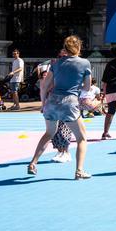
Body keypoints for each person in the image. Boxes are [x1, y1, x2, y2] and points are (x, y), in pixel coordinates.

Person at [27, 35, 92, 178]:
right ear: (79, 47)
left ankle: (33, 162)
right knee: (81, 138)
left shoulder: (55, 64)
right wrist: (77, 85)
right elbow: (87, 87)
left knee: (49, 133)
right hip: (69, 102)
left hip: (52, 101)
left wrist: (44, 103)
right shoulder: (84, 63)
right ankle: (79, 170)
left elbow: (44, 86)